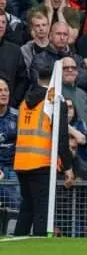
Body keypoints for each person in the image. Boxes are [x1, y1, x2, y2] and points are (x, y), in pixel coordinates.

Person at [13, 56, 74, 237]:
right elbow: (61, 137)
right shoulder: (55, 101)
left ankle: (18, 242)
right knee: (42, 210)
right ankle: (39, 243)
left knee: (27, 208)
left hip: (21, 162)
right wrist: (68, 166)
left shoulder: (25, 102)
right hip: (42, 162)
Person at [0, 77, 18, 210]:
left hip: (13, 169)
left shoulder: (17, 116)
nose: (3, 93)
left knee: (16, 205)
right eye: (0, 90)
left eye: (6, 90)